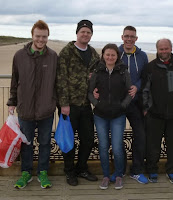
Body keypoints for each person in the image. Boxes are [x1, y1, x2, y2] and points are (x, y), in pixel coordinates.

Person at [7, 20, 57, 189]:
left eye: (44, 37)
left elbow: (58, 83)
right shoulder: (19, 56)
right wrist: (12, 102)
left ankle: (43, 172)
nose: (41, 40)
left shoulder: (53, 57)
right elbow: (15, 81)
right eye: (38, 36)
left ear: (48, 36)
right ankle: (26, 173)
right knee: (26, 143)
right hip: (25, 109)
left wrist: (58, 103)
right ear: (32, 35)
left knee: (45, 143)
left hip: (46, 109)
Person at [56, 19, 99, 186]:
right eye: (83, 32)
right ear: (77, 33)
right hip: (69, 106)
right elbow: (60, 79)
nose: (85, 34)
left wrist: (93, 81)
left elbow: (98, 74)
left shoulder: (94, 53)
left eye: (88, 32)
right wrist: (64, 104)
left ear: (91, 34)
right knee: (68, 141)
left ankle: (81, 168)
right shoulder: (67, 52)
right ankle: (69, 171)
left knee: (88, 139)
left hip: (86, 105)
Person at [88, 43, 132, 190]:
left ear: (117, 56)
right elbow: (89, 92)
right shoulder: (97, 71)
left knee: (118, 147)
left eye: (113, 55)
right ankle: (106, 176)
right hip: (100, 115)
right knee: (103, 146)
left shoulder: (123, 71)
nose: (110, 57)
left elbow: (129, 92)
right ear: (103, 55)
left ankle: (119, 175)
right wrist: (97, 103)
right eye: (107, 54)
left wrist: (123, 106)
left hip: (118, 116)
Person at [142, 38, 173, 184]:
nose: (164, 51)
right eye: (161, 49)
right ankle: (152, 170)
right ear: (157, 50)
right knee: (153, 145)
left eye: (166, 48)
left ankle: (171, 170)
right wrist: (146, 108)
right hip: (155, 114)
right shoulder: (150, 67)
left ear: (171, 49)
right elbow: (145, 90)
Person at [117, 25, 149, 184]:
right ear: (122, 37)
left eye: (132, 36)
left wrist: (136, 86)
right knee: (117, 137)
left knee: (140, 136)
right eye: (126, 36)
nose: (129, 39)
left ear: (136, 39)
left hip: (136, 102)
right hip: (119, 103)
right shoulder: (115, 53)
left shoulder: (142, 56)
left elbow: (145, 77)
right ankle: (120, 170)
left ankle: (136, 171)